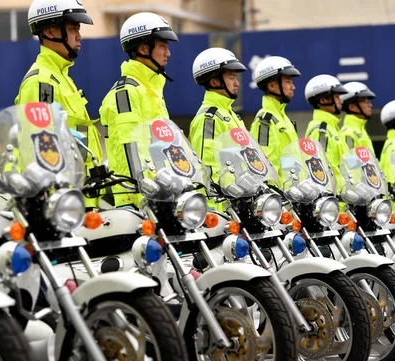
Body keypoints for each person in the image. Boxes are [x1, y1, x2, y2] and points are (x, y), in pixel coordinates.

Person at [16, 0, 103, 207]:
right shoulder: (41, 81)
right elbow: (39, 148)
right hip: (62, 200)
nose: (79, 36)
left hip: (81, 192)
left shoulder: (61, 77)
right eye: (73, 28)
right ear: (51, 32)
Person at [99, 12, 178, 207]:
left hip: (161, 195)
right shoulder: (126, 93)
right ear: (144, 48)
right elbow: (130, 152)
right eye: (162, 46)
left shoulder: (152, 91)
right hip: (137, 201)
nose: (168, 53)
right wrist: (140, 198)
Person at [188, 48, 247, 190]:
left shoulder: (232, 116)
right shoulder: (209, 118)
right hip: (220, 208)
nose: (236, 83)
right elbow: (206, 168)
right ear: (214, 82)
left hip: (239, 202)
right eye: (231, 77)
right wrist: (212, 209)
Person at [249, 56, 300, 183]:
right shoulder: (264, 121)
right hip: (279, 199)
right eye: (288, 82)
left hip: (294, 197)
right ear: (272, 86)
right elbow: (265, 168)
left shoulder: (283, 119)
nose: (293, 87)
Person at [304, 74, 348, 187]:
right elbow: (321, 168)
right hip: (334, 200)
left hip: (344, 199)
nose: (341, 101)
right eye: (337, 97)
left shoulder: (332, 128)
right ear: (324, 99)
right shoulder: (320, 130)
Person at [340, 82, 376, 153]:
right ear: (352, 107)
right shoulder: (348, 133)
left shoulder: (361, 130)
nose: (370, 105)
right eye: (365, 101)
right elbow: (349, 162)